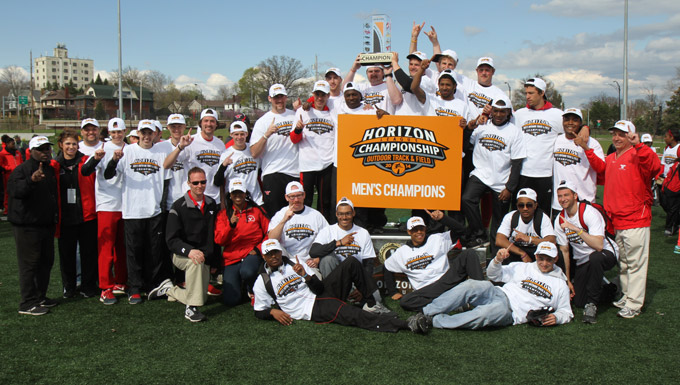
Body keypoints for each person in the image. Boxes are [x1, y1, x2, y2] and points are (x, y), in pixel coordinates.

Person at [253, 239, 421, 333]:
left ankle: (372, 303)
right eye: (270, 254)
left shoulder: (294, 263)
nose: (274, 256)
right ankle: (406, 325)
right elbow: (259, 310)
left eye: (276, 252)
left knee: (350, 262)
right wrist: (273, 311)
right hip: (313, 310)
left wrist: (304, 275)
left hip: (320, 292)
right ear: (264, 256)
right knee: (353, 314)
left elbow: (318, 288)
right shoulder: (263, 281)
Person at [582, 120, 661, 318]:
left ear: (631, 136)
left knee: (635, 263)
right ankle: (627, 295)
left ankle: (634, 304)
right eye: (615, 134)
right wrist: (586, 149)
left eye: (622, 134)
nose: (617, 138)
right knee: (624, 262)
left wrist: (639, 144)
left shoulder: (638, 154)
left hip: (636, 218)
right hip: (617, 219)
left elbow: (654, 166)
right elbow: (601, 168)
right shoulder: (612, 157)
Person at [420, 241, 573, 330]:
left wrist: (557, 318)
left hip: (511, 311)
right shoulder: (523, 267)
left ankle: (434, 321)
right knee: (472, 285)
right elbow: (494, 275)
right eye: (541, 258)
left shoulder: (560, 283)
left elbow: (566, 311)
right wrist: (497, 261)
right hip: (497, 292)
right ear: (536, 256)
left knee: (483, 314)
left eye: (549, 259)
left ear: (556, 259)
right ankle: (426, 312)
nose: (544, 263)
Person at [104, 120, 173, 304]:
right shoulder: (128, 151)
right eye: (143, 132)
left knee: (154, 251)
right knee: (134, 252)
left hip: (154, 210)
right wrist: (114, 160)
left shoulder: (161, 152)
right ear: (138, 133)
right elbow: (109, 174)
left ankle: (152, 286)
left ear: (155, 134)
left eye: (150, 132)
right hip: (132, 211)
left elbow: (166, 180)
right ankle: (134, 288)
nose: (146, 136)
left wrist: (162, 205)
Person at [461, 96, 526, 248]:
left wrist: (509, 188)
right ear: (491, 112)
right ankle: (479, 232)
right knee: (467, 199)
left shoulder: (515, 132)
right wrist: (469, 128)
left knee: (499, 221)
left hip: (502, 180)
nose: (498, 115)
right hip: (481, 174)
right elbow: (465, 145)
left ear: (509, 113)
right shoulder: (482, 126)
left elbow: (517, 163)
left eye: (502, 112)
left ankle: (496, 252)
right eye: (495, 111)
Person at [384, 214, 484, 312]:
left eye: (421, 229)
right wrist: (393, 292)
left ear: (425, 229)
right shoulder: (401, 252)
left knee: (469, 254)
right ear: (409, 232)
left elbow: (462, 230)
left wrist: (443, 218)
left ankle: (482, 294)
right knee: (406, 301)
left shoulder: (437, 239)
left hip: (446, 280)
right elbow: (387, 267)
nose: (419, 232)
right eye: (415, 229)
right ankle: (452, 303)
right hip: (427, 290)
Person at [554, 180, 618, 324]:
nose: (563, 199)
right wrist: (568, 281)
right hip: (583, 260)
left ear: (575, 196)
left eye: (566, 195)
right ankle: (611, 289)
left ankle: (592, 305)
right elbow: (564, 252)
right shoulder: (559, 219)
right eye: (559, 196)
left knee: (595, 257)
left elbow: (599, 245)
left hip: (605, 254)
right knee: (578, 301)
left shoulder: (589, 212)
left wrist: (576, 229)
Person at [8, 136, 59, 315]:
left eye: (47, 148)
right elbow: (16, 192)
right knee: (29, 264)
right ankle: (27, 302)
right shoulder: (21, 170)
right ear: (31, 151)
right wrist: (31, 180)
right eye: (41, 149)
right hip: (27, 225)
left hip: (45, 223)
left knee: (46, 262)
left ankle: (40, 296)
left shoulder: (49, 169)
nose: (46, 152)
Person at [82, 118, 128, 305]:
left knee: (122, 248)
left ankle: (121, 281)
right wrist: (96, 159)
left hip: (127, 205)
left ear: (125, 131)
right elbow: (86, 171)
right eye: (113, 132)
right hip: (107, 204)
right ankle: (105, 287)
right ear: (108, 133)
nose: (117, 135)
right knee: (106, 248)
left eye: (120, 132)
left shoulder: (131, 148)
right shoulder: (101, 149)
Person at [165, 167, 219, 322]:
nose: (199, 186)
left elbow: (212, 236)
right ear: (188, 183)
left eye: (203, 182)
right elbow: (171, 240)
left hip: (204, 256)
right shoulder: (178, 206)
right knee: (195, 262)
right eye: (195, 183)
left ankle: (172, 291)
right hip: (182, 255)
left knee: (202, 297)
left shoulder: (211, 203)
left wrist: (215, 261)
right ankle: (191, 309)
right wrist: (189, 251)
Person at [52, 130, 99, 298]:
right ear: (61, 145)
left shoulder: (85, 161)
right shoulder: (55, 165)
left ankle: (88, 286)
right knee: (67, 255)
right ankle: (69, 287)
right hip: (65, 217)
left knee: (89, 253)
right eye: (67, 144)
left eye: (73, 143)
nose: (71, 147)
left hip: (87, 215)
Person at [214, 178, 269, 306]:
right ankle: (243, 285)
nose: (237, 196)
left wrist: (258, 249)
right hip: (232, 257)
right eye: (234, 193)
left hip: (252, 253)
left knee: (248, 271)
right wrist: (230, 225)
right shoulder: (223, 215)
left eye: (240, 192)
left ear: (246, 194)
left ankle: (253, 289)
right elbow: (219, 240)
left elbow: (269, 232)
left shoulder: (257, 211)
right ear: (230, 195)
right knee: (231, 300)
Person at [514, 78, 564, 213]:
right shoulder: (519, 114)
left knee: (543, 213)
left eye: (531, 93)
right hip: (524, 172)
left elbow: (573, 129)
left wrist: (585, 128)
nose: (527, 97)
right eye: (526, 93)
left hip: (546, 173)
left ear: (542, 93)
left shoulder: (557, 114)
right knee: (523, 212)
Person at [250, 84, 299, 216]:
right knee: (275, 216)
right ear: (270, 99)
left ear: (286, 97)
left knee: (295, 216)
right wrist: (266, 135)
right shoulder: (262, 121)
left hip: (294, 173)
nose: (279, 100)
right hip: (272, 173)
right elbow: (254, 153)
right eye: (275, 97)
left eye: (281, 97)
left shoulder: (294, 115)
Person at [291, 80, 336, 221]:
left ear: (328, 96)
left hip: (327, 164)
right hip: (308, 164)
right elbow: (294, 139)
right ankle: (306, 225)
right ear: (313, 95)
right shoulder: (303, 111)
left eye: (323, 95)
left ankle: (323, 229)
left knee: (325, 202)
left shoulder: (333, 112)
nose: (320, 98)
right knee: (306, 200)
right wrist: (298, 129)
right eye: (317, 95)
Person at [165, 109, 224, 203]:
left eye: (212, 121)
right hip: (192, 199)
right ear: (200, 123)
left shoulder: (220, 144)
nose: (209, 124)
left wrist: (222, 200)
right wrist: (180, 147)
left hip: (213, 199)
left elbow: (221, 173)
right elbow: (167, 165)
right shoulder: (190, 141)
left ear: (216, 124)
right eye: (206, 121)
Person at [552, 108, 604, 215]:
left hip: (584, 201)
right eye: (567, 119)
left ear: (580, 123)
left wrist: (585, 147)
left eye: (575, 120)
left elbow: (601, 168)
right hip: (560, 203)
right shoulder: (557, 140)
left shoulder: (592, 143)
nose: (570, 123)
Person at [268, 181, 329, 270]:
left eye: (299, 195)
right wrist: (284, 220)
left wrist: (317, 259)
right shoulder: (280, 215)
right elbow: (272, 240)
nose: (296, 200)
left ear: (304, 195)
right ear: (286, 197)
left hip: (310, 262)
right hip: (287, 261)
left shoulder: (315, 215)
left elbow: (328, 238)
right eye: (292, 196)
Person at [495, 188, 556, 264]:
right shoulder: (510, 217)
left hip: (536, 251)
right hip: (516, 251)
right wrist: (522, 253)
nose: (525, 208)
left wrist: (529, 239)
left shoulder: (542, 218)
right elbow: (499, 240)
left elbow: (552, 241)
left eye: (529, 205)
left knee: (557, 253)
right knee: (500, 252)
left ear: (535, 205)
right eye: (521, 205)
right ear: (517, 206)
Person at [214, 121, 263, 206]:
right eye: (236, 134)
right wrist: (224, 165)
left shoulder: (253, 149)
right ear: (231, 135)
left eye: (242, 134)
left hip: (255, 199)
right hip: (235, 200)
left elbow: (261, 170)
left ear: (247, 134)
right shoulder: (226, 154)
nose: (239, 137)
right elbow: (217, 181)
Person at [0, 135, 24, 215]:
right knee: (7, 192)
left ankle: (18, 208)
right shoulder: (3, 154)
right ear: (7, 144)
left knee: (19, 190)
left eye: (14, 143)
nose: (14, 145)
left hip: (18, 174)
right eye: (12, 144)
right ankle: (7, 209)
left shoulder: (17, 153)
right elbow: (1, 164)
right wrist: (8, 168)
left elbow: (21, 162)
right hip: (8, 175)